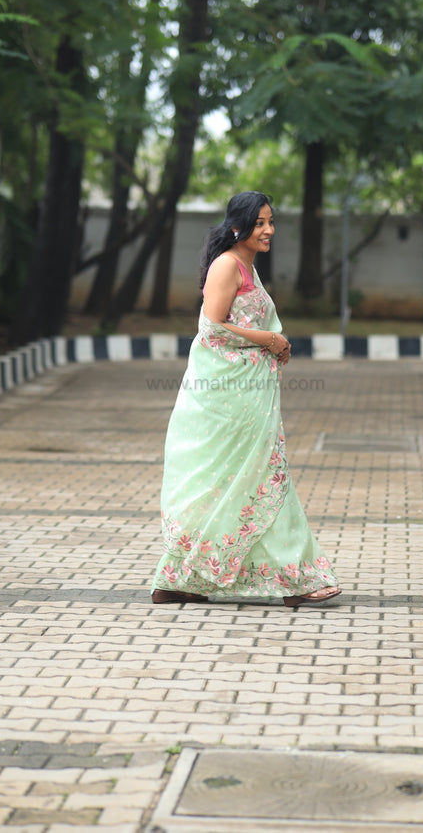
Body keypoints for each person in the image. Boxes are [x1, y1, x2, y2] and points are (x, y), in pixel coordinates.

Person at [150, 191, 341, 607]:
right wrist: (270, 339)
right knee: (255, 479)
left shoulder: (247, 267)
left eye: (271, 221)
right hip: (226, 398)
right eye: (260, 223)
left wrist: (275, 346)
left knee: (252, 481)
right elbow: (212, 328)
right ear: (238, 226)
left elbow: (240, 325)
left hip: (247, 394)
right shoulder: (227, 265)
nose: (269, 230)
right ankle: (296, 582)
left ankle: (182, 579)